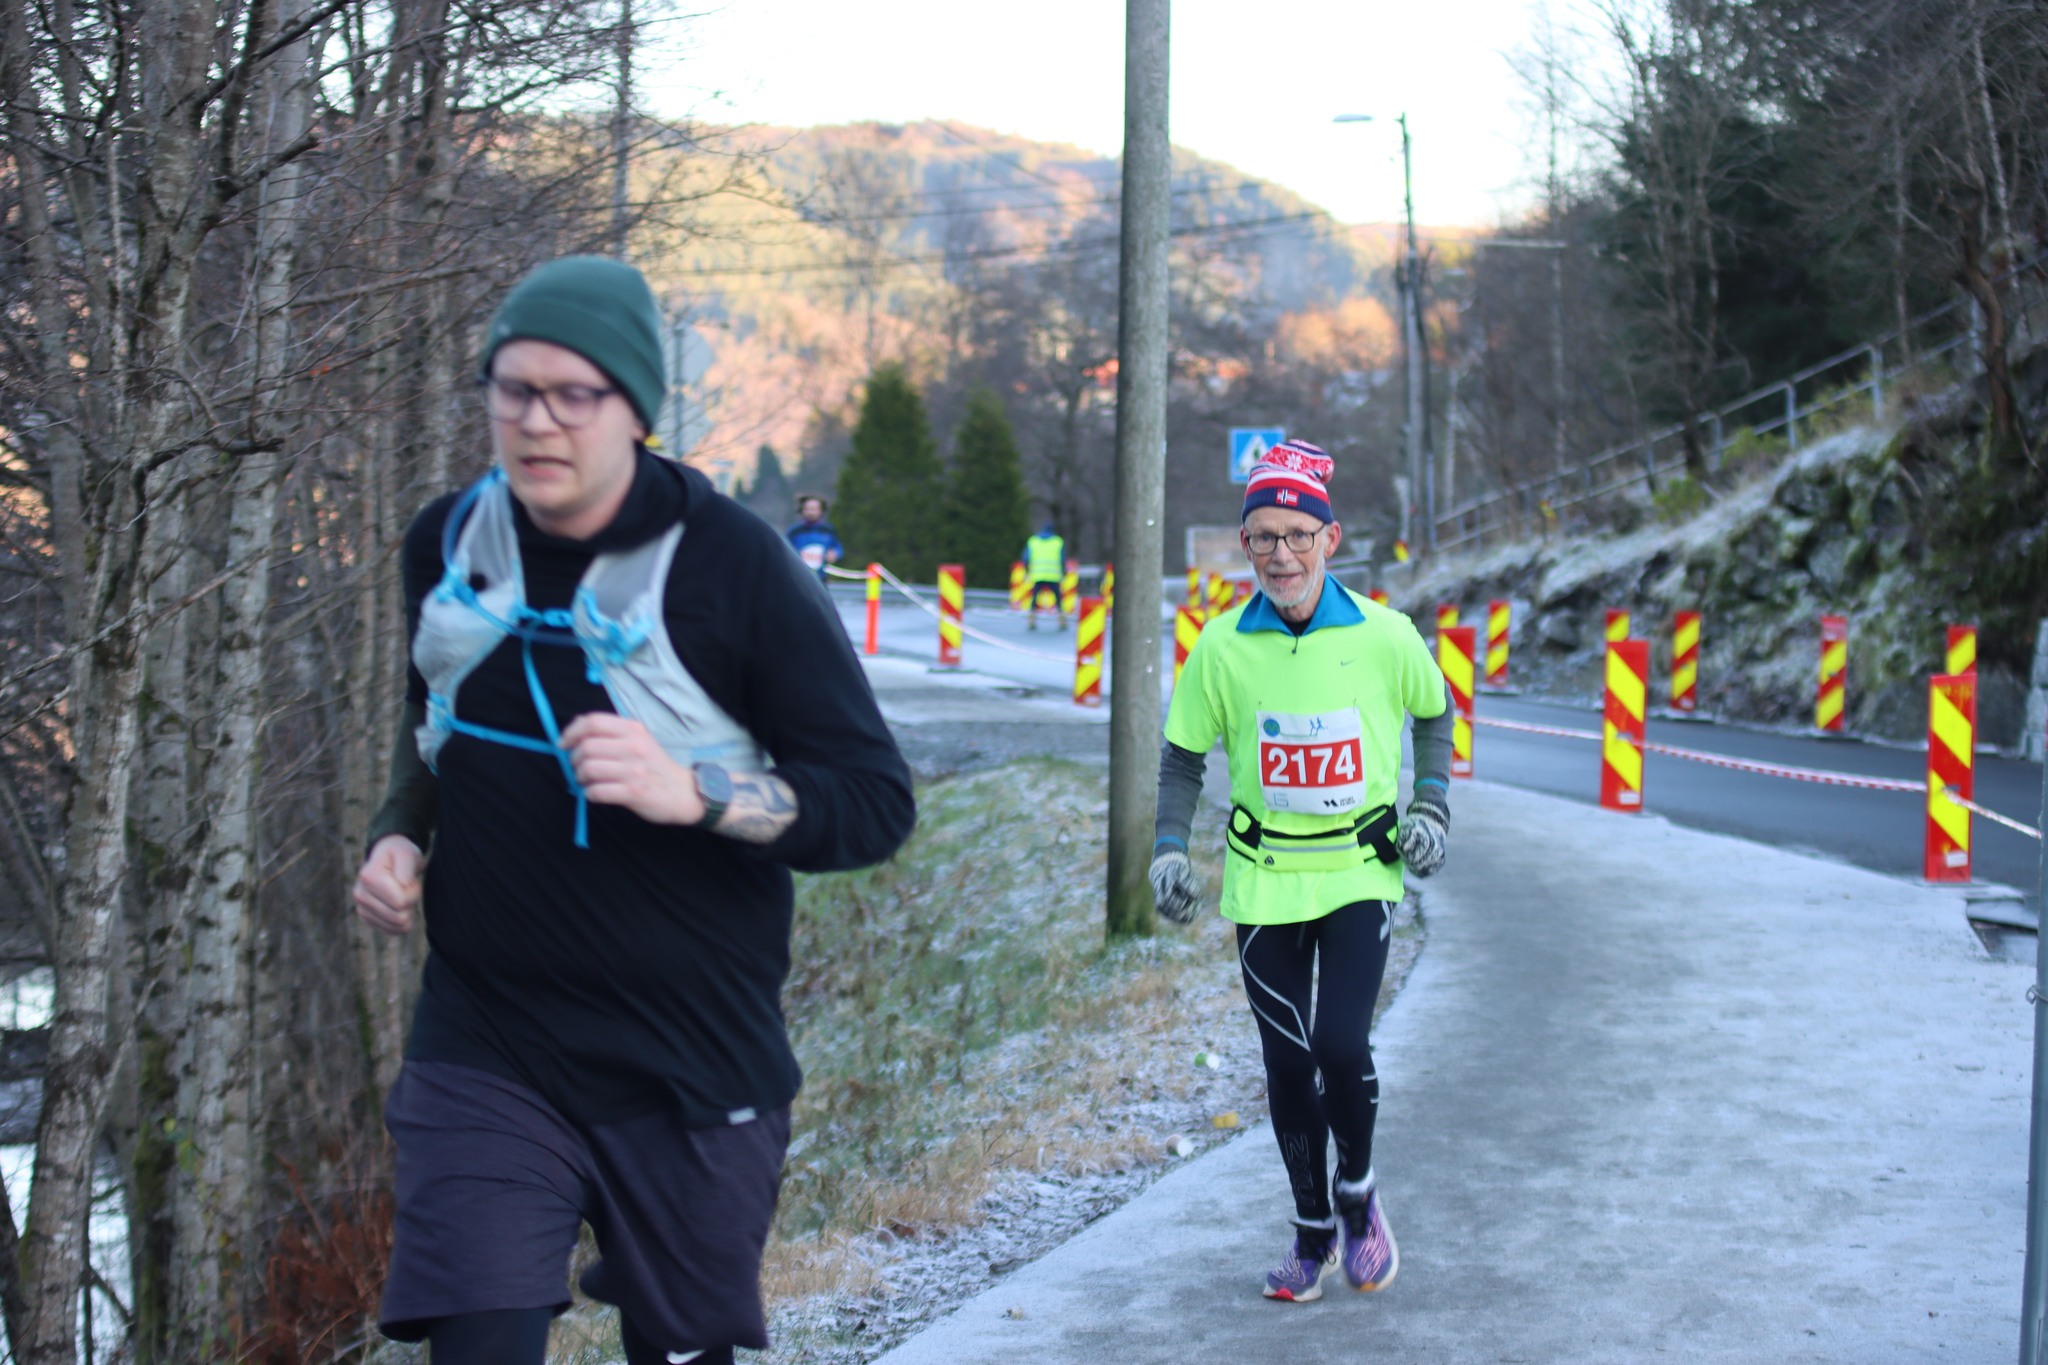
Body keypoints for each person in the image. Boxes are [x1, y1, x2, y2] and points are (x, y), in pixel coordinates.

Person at [350, 256, 915, 1365]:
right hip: (489, 1035)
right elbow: (433, 720)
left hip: (691, 1055)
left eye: (575, 393)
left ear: (637, 409)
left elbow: (873, 804)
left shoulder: (735, 567)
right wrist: (397, 832)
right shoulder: (447, 545)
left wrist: (692, 789)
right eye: (514, 389)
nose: (537, 420)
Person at [1148, 438, 1452, 1303]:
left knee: (1340, 1046)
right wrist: (1169, 847)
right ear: (1245, 544)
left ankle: (1358, 1193)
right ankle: (1311, 1229)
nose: (1280, 554)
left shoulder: (1386, 634)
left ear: (1330, 538)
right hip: (1265, 877)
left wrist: (1431, 807)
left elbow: (1436, 715)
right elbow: (1181, 758)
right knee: (1287, 1063)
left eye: (1297, 534)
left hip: (1358, 869)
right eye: (1263, 537)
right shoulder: (1219, 647)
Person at [785, 493, 843, 579]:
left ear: (821, 511)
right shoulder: (795, 531)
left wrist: (835, 554)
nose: (810, 513)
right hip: (799, 575)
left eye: (814, 509)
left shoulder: (828, 530)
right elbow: (785, 550)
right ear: (802, 510)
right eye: (807, 509)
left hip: (821, 576)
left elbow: (838, 548)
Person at [1023, 521, 1066, 630]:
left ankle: (1031, 620)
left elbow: (1026, 558)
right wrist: (1063, 572)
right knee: (1058, 599)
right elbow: (1062, 559)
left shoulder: (1033, 541)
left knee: (1034, 598)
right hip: (1053, 575)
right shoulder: (1058, 541)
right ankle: (1061, 621)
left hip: (1038, 574)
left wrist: (1027, 570)